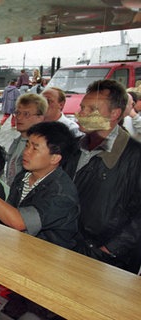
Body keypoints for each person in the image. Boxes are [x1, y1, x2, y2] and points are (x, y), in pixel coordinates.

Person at [0, 121, 79, 249]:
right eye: (27, 145)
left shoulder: (61, 193)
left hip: (47, 260)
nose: (26, 152)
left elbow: (19, 222)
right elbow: (8, 212)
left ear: (55, 158)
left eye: (35, 148)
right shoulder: (23, 177)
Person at [66, 79, 141, 274]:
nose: (81, 113)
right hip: (68, 247)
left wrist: (110, 250)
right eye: (82, 107)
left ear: (115, 114)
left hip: (109, 263)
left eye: (92, 109)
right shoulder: (73, 146)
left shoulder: (135, 156)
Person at [5, 93, 47, 186]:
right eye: (18, 113)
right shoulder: (17, 141)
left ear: (40, 118)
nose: (19, 117)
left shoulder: (41, 147)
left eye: (26, 114)